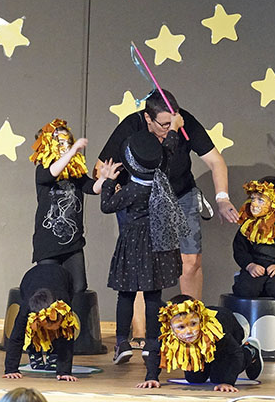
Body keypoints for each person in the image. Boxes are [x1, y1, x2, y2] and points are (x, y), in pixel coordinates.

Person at [95, 89, 238, 300]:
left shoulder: (183, 122)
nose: (171, 129)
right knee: (140, 268)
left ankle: (192, 316)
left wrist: (222, 199)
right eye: (164, 125)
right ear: (148, 118)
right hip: (141, 201)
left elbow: (215, 161)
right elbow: (100, 167)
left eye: (174, 123)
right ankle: (140, 323)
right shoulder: (132, 126)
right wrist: (115, 188)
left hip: (179, 193)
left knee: (191, 261)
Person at [101, 129, 186, 370]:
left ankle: (122, 343)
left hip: (132, 244)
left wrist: (109, 181)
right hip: (158, 243)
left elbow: (107, 206)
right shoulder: (162, 177)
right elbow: (168, 151)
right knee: (153, 296)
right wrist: (173, 130)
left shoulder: (131, 190)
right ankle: (151, 344)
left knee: (126, 294)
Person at [30, 118, 109, 294]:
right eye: (60, 143)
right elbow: (52, 172)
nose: (66, 146)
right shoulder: (43, 169)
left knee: (78, 287)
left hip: (72, 244)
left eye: (68, 142)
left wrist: (104, 178)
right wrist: (73, 151)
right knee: (49, 288)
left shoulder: (75, 173)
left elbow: (92, 188)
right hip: (48, 244)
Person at [138, 295, 262, 392]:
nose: (189, 331)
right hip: (199, 348)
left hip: (228, 338)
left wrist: (228, 381)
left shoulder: (216, 330)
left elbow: (235, 353)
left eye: (193, 324)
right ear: (171, 327)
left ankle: (251, 351)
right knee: (194, 379)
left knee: (219, 378)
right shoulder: (167, 333)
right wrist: (151, 378)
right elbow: (155, 352)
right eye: (181, 327)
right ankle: (211, 365)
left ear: (201, 320)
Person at [2, 264, 84, 382]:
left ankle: (53, 352)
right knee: (28, 330)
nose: (51, 330)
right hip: (30, 279)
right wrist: (11, 369)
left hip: (62, 277)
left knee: (63, 332)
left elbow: (67, 338)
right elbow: (16, 338)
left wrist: (64, 372)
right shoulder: (26, 309)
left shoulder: (64, 305)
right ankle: (33, 350)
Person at [232, 176, 275, 298]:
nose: (254, 204)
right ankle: (242, 279)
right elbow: (239, 249)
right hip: (255, 267)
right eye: (252, 198)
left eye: (260, 200)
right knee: (246, 291)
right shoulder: (248, 226)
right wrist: (249, 265)